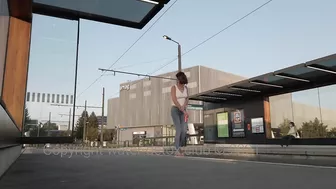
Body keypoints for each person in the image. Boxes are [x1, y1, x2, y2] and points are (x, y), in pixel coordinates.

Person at [170, 71, 189, 156]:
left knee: (184, 130)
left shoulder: (186, 88)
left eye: (184, 84)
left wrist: (184, 108)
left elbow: (187, 99)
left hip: (183, 110)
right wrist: (181, 109)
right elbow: (174, 99)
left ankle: (181, 147)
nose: (183, 86)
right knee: (179, 129)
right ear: (178, 81)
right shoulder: (174, 87)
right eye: (182, 84)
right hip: (175, 110)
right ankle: (177, 149)